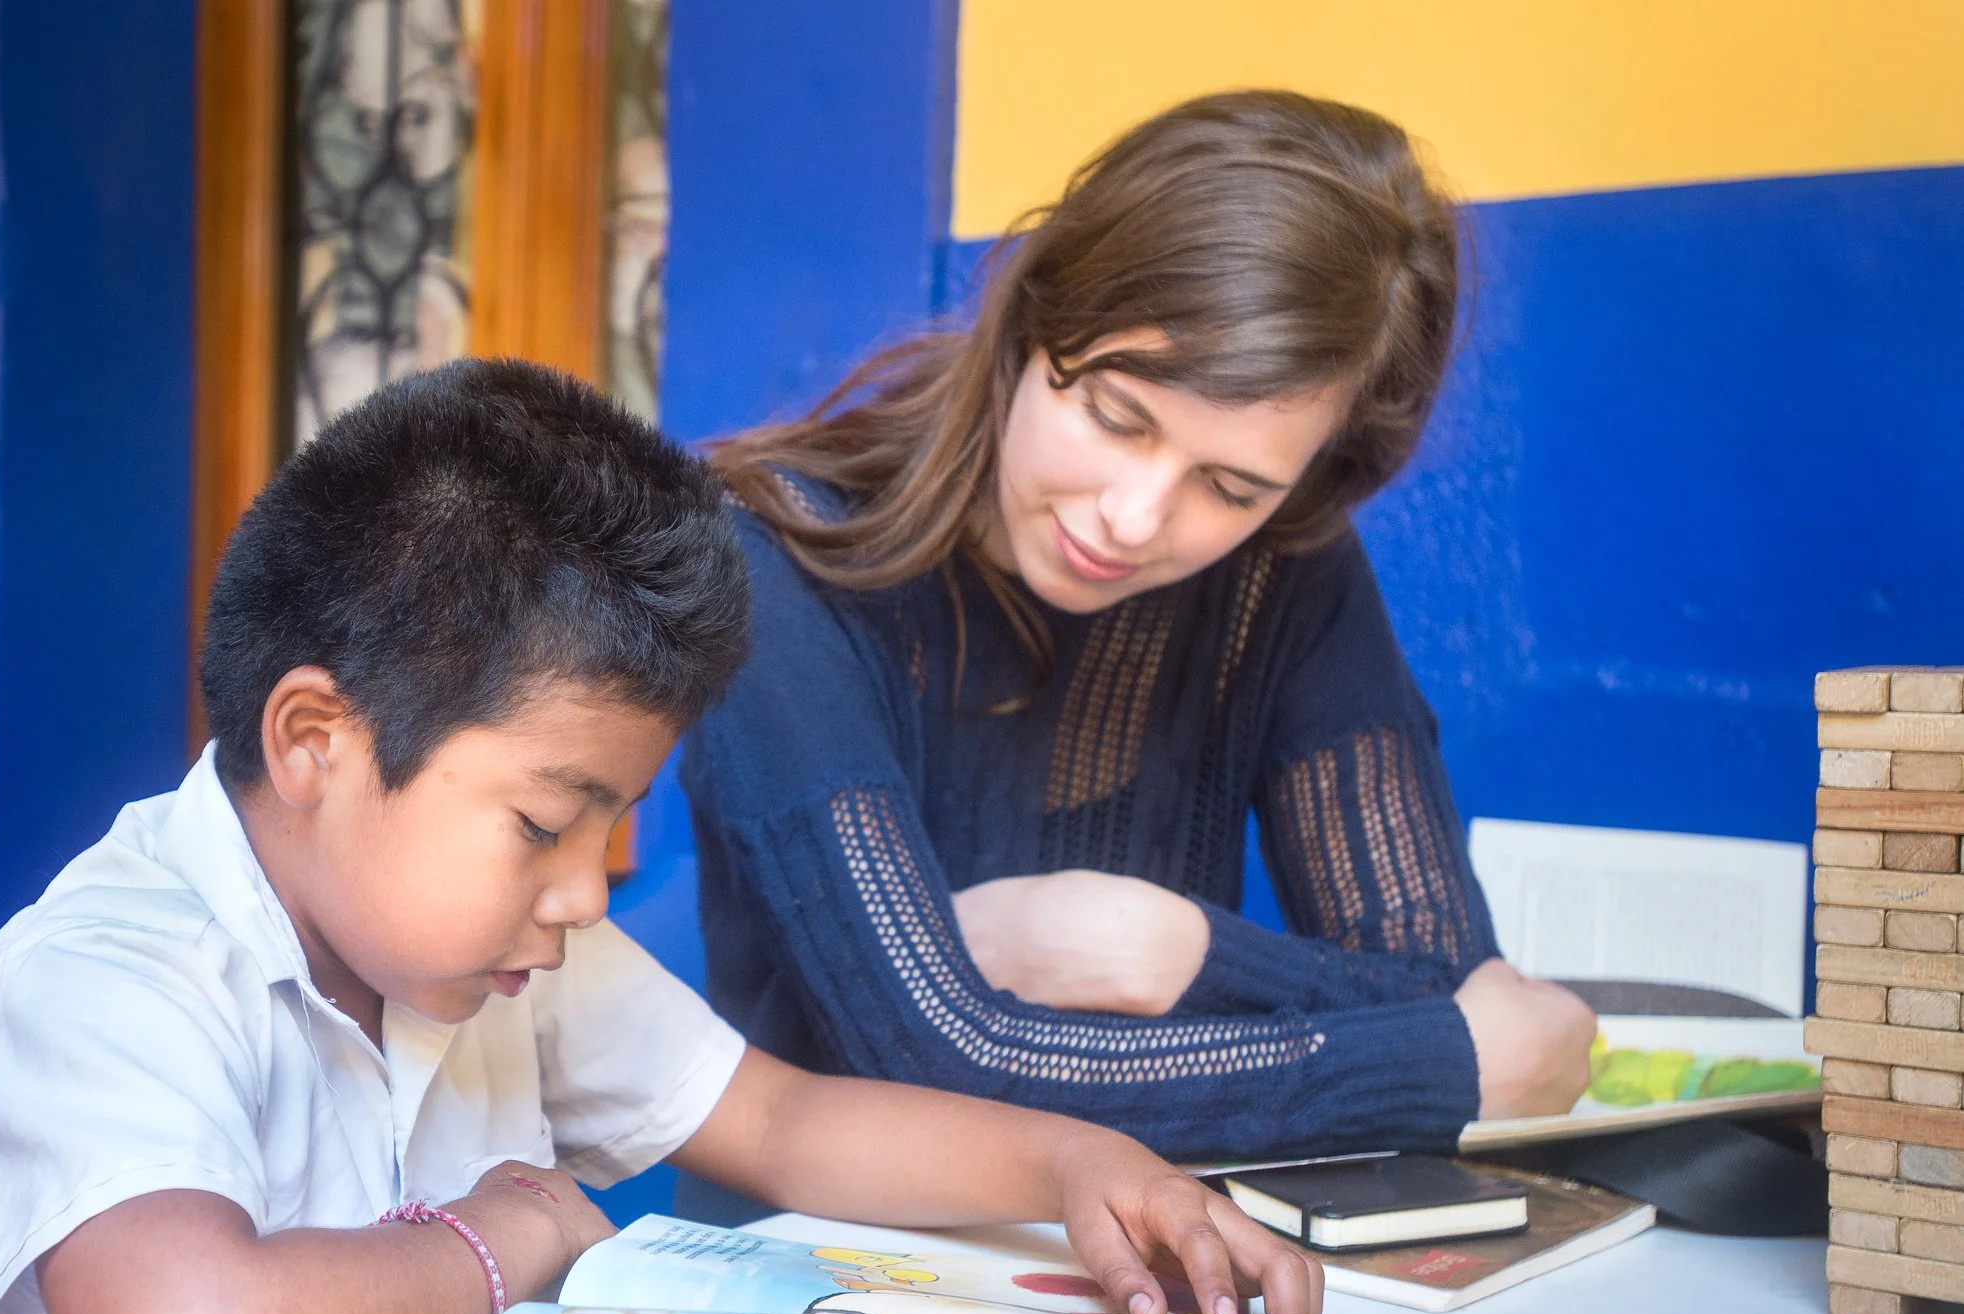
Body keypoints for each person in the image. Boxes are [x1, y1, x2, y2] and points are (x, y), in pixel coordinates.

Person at [0, 360, 1321, 1314]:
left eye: (617, 829)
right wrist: (512, 1236)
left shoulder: (492, 954)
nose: (584, 895)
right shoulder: (107, 983)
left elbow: (778, 1116)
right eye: (543, 823)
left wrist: (1083, 1166)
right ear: (317, 741)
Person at [678, 91, 1596, 1225]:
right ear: (1035, 320)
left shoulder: (1280, 572)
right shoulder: (771, 560)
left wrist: (1160, 949)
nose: (1132, 516)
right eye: (1117, 417)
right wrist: (1438, 1072)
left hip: (1150, 1284)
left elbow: (1437, 978)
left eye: (1231, 487)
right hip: (798, 1293)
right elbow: (931, 1068)